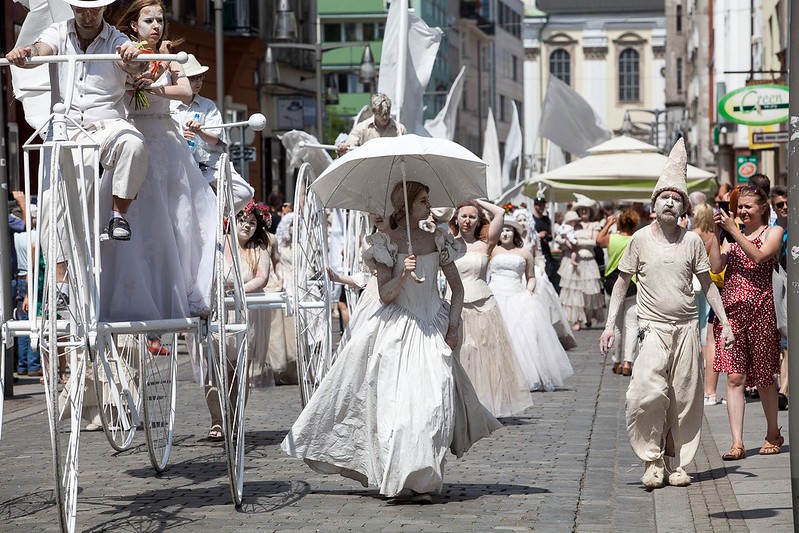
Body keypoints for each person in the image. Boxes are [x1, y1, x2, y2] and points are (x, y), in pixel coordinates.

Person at [282, 181, 500, 504]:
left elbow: (457, 289)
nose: (429, 206)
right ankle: (400, 477)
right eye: (423, 201)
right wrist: (402, 274)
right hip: (398, 330)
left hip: (431, 329)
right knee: (398, 410)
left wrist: (453, 327)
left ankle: (424, 479)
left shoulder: (438, 238)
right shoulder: (385, 244)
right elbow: (384, 296)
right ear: (407, 207)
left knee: (433, 403)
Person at [600, 138, 734, 490]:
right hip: (652, 328)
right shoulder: (639, 239)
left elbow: (707, 285)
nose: (670, 203)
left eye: (676, 199)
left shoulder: (691, 241)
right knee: (645, 393)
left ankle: (674, 464)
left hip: (687, 328)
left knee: (685, 399)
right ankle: (651, 458)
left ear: (683, 208)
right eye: (664, 198)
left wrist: (724, 323)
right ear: (653, 206)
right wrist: (610, 324)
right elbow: (620, 283)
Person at [102, 0, 216, 321]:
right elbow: (114, 89)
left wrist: (151, 86)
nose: (156, 26)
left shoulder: (172, 56)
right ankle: (135, 290)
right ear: (134, 25)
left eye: (160, 20)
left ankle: (179, 287)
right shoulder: (125, 53)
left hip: (166, 138)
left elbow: (184, 92)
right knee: (140, 213)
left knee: (178, 214)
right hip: (134, 133)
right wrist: (131, 80)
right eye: (148, 19)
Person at [5, 0, 149, 242]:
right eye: (81, 9)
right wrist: (26, 53)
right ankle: (61, 276)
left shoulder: (117, 38)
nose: (88, 16)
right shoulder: (58, 32)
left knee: (133, 143)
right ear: (72, 8)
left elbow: (134, 64)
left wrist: (132, 57)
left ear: (104, 9)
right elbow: (42, 50)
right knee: (55, 205)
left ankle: (118, 215)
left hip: (106, 126)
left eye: (94, 9)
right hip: (66, 128)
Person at [710, 185, 785, 460]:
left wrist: (734, 232)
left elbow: (758, 256)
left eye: (747, 207)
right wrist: (717, 237)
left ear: (763, 208)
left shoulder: (773, 232)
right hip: (732, 313)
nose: (741, 211)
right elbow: (716, 267)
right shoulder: (732, 235)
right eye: (739, 207)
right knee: (734, 377)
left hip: (763, 311)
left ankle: (772, 432)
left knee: (765, 377)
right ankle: (737, 442)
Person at [447, 200, 533, 417]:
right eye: (463, 216)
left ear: (478, 221)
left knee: (484, 353)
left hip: (483, 303)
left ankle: (483, 404)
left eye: (472, 217)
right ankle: (458, 403)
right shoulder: (447, 244)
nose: (467, 220)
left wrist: (476, 200)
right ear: (456, 219)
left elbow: (500, 213)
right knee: (459, 352)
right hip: (453, 304)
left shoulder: (486, 243)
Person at [204, 201, 273, 438]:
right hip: (215, 311)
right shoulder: (217, 243)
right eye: (243, 220)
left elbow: (262, 278)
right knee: (213, 369)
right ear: (233, 221)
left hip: (243, 313)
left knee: (236, 371)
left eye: (253, 223)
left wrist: (240, 290)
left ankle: (234, 420)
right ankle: (216, 421)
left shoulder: (258, 249)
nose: (247, 226)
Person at [489, 217, 573, 391]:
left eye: (509, 230)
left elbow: (531, 277)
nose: (505, 233)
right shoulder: (491, 251)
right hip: (495, 294)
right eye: (503, 230)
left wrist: (529, 291)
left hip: (517, 295)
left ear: (515, 233)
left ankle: (520, 375)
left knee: (520, 337)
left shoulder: (524, 252)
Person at [170, 54, 254, 212]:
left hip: (208, 165)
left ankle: (215, 214)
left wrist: (200, 131)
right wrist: (179, 136)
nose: (198, 82)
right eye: (193, 78)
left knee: (244, 192)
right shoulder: (167, 105)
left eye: (201, 77)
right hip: (178, 165)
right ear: (178, 80)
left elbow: (216, 139)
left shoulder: (207, 105)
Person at [596, 209, 640, 377]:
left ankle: (616, 361)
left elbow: (598, 240)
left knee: (616, 325)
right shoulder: (635, 239)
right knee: (632, 325)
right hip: (633, 284)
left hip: (613, 283)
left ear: (620, 223)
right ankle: (628, 362)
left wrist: (608, 224)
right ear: (635, 224)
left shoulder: (612, 238)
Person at [692, 204, 724, 406]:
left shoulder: (693, 234)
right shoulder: (713, 234)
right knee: (706, 323)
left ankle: (701, 352)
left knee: (699, 320)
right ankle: (704, 352)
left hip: (695, 281)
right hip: (709, 282)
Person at [556, 196, 604, 331]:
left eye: (586, 210)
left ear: (590, 211)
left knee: (589, 292)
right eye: (581, 209)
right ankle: (576, 320)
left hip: (588, 261)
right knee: (574, 292)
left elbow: (595, 242)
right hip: (573, 262)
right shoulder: (572, 224)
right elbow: (559, 237)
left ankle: (587, 317)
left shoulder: (594, 225)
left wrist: (577, 241)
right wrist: (565, 242)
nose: (584, 212)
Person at [336, 93, 406, 156]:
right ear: (373, 112)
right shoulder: (361, 128)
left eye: (387, 114)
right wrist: (343, 149)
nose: (384, 117)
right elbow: (350, 145)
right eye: (380, 114)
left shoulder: (400, 129)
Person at [770, 186, 788, 409]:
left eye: (787, 203)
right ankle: (784, 388)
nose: (785, 208)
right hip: (781, 286)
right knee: (786, 342)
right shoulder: (774, 230)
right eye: (779, 205)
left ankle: (784, 389)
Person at [531, 196, 559, 292]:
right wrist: (538, 235)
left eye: (542, 205)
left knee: (549, 272)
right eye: (539, 205)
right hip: (535, 250)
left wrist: (547, 236)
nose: (541, 207)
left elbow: (551, 235)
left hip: (545, 249)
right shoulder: (531, 219)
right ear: (535, 206)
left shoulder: (547, 220)